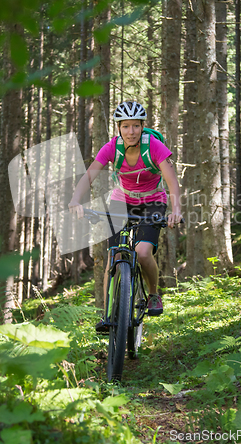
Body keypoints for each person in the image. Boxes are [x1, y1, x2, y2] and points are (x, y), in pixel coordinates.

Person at [68, 101, 182, 331]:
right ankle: (108, 314)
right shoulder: (111, 147)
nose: (131, 132)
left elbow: (172, 184)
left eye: (136, 126)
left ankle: (153, 294)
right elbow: (89, 176)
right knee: (114, 256)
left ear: (142, 127)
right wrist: (75, 200)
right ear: (119, 128)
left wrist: (176, 209)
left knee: (142, 252)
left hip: (152, 200)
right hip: (122, 199)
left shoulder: (154, 147)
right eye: (126, 126)